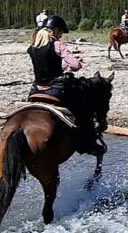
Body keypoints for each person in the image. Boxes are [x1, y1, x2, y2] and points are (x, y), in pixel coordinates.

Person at [27, 15, 101, 156]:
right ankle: (86, 142)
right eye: (60, 32)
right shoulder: (57, 45)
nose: (61, 36)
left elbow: (45, 66)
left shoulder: (32, 47)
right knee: (83, 110)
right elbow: (75, 65)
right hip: (55, 89)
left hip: (36, 89)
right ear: (55, 31)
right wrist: (75, 64)